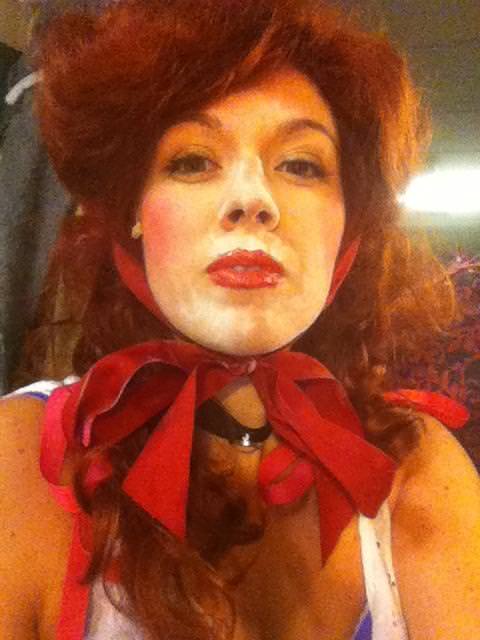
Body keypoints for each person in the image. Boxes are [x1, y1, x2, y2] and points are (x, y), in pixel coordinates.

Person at [1, 1, 479, 638]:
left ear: (348, 225)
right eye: (192, 160)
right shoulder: (23, 457)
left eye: (302, 165)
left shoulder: (417, 466)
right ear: (132, 211)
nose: (253, 200)